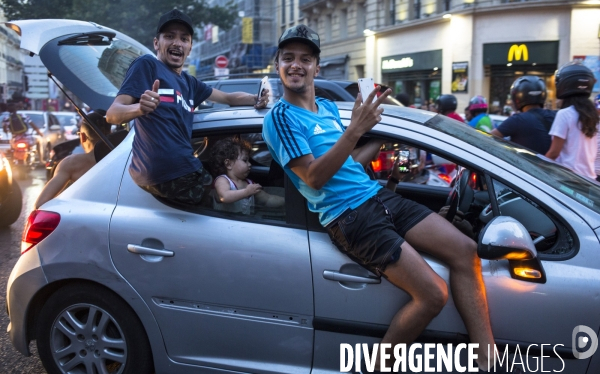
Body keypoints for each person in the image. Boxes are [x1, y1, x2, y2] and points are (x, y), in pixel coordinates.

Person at [262, 24, 499, 372]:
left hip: (375, 196)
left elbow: (346, 162)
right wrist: (356, 129)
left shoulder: (327, 107)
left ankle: (487, 361)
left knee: (466, 252)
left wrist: (380, 136)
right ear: (278, 65)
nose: (296, 65)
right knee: (432, 295)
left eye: (305, 59)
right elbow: (314, 177)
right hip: (349, 216)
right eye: (288, 58)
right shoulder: (280, 118)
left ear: (317, 66)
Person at [106, 9, 268, 205]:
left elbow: (228, 97)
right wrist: (139, 108)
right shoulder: (147, 65)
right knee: (235, 197)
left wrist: (255, 99)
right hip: (168, 172)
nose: (177, 43)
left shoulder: (190, 83)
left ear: (190, 47)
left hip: (183, 166)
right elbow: (113, 114)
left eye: (184, 38)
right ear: (156, 43)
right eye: (169, 36)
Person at [34, 112, 111, 209]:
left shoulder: (71, 163)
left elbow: (40, 204)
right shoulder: (125, 159)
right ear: (110, 134)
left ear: (82, 137)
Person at [545, 62, 598, 180]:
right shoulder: (591, 114)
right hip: (589, 179)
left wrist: (539, 166)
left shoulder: (565, 114)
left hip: (568, 179)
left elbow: (554, 153)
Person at [208, 137, 284, 214]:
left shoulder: (249, 183)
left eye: (249, 161)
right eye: (245, 160)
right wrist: (246, 192)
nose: (250, 164)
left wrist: (287, 201)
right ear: (228, 164)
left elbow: (267, 199)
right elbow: (223, 197)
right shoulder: (222, 180)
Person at [490, 76, 556, 155]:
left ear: (517, 97)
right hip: (555, 167)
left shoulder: (517, 120)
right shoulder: (555, 115)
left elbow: (488, 138)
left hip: (524, 166)